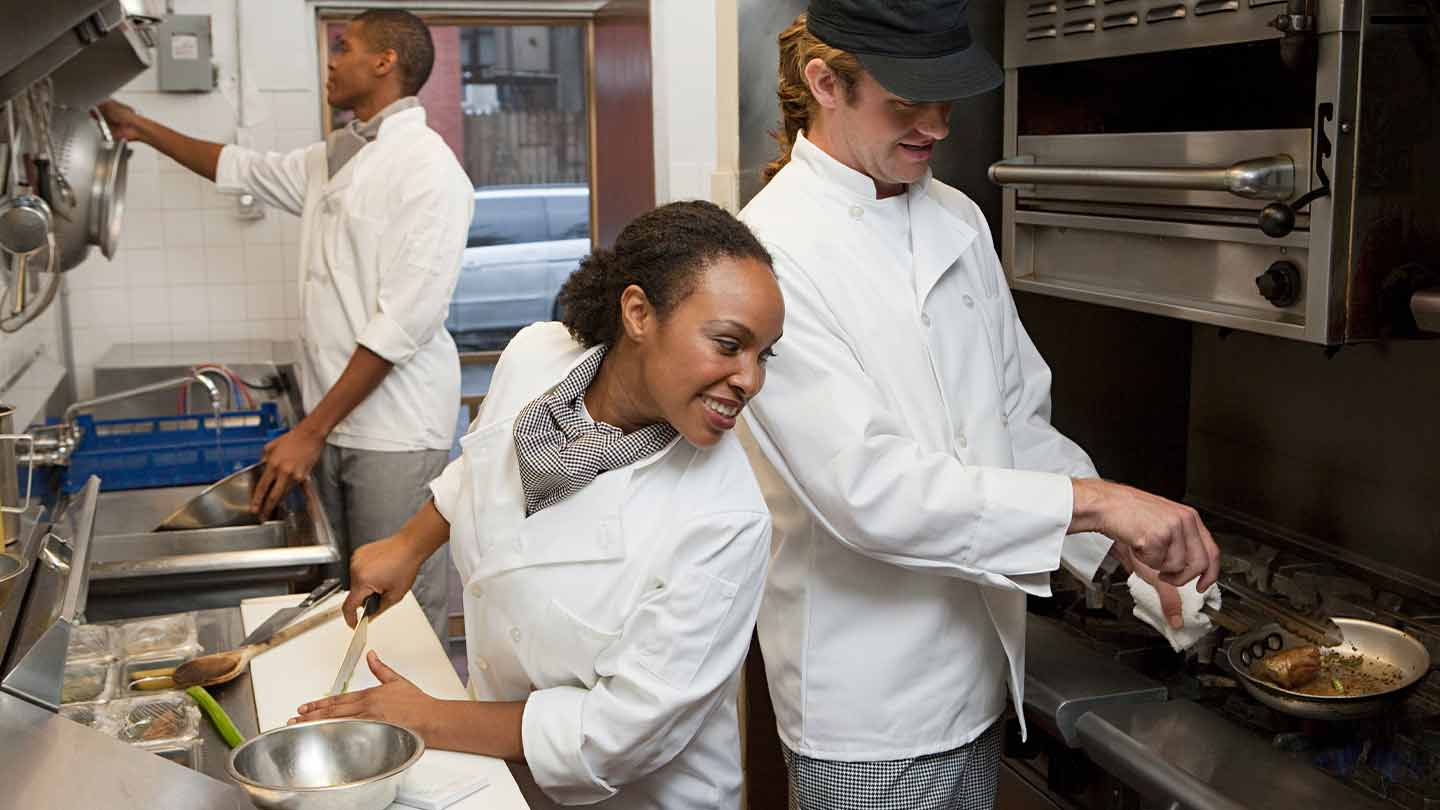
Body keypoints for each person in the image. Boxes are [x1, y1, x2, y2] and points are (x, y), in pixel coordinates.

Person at [735, 2, 1222, 807]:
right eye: (907, 101)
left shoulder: (955, 216)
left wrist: (1115, 546)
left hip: (982, 670)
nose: (936, 126)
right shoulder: (769, 254)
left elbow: (1014, 421)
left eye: (947, 98)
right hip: (870, 710)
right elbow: (868, 491)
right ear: (825, 83)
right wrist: (1100, 504)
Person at [292, 201, 785, 810]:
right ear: (638, 313)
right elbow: (481, 465)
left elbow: (617, 734)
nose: (750, 379)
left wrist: (427, 717)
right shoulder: (536, 357)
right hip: (496, 774)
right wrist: (408, 545)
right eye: (729, 345)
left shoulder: (725, 519)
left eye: (763, 355)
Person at [99, 10, 472, 641]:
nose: (331, 59)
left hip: (396, 431)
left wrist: (309, 430)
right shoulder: (338, 156)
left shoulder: (429, 171)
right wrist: (139, 127)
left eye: (345, 47)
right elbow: (240, 167)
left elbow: (401, 327)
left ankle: (414, 707)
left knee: (398, 610)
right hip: (334, 418)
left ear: (385, 62)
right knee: (343, 601)